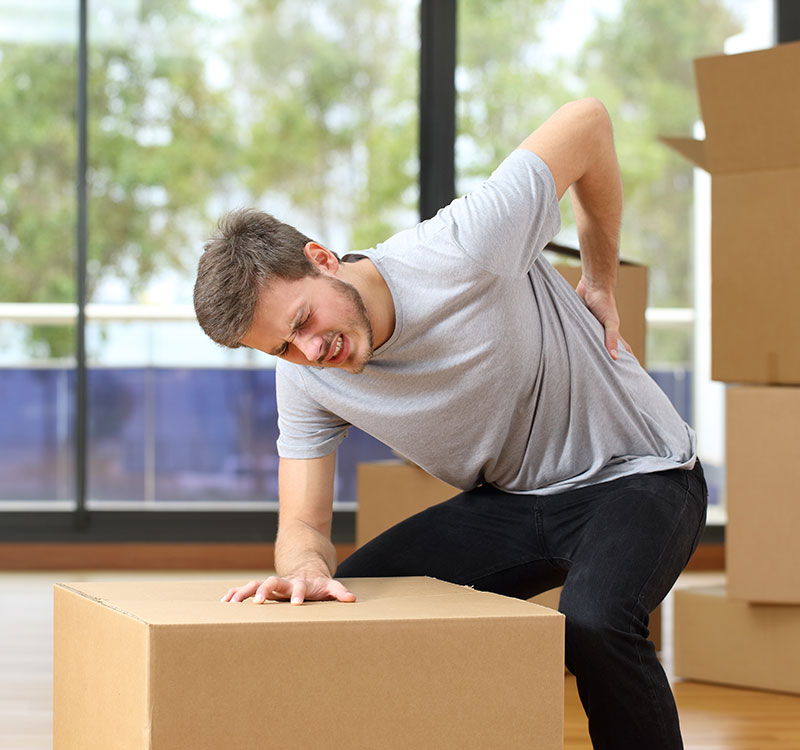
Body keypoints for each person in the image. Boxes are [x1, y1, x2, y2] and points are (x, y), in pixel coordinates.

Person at [193, 98, 707, 750]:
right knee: (356, 604)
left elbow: (589, 123)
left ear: (322, 259)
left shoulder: (465, 245)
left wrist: (600, 278)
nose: (310, 352)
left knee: (595, 621)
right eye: (283, 349)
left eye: (303, 323)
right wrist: (304, 572)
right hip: (516, 501)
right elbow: (302, 525)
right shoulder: (304, 376)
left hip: (642, 473)